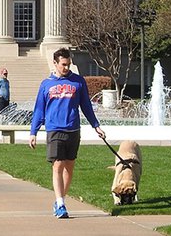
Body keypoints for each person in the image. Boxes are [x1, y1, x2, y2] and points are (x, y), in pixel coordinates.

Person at [29, 48, 106, 220]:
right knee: (57, 165)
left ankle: (60, 200)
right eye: (63, 64)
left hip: (73, 129)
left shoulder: (78, 82)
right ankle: (61, 204)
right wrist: (33, 132)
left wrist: (96, 126)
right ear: (55, 63)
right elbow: (39, 110)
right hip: (55, 129)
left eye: (68, 64)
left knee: (69, 167)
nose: (66, 67)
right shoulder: (46, 84)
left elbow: (86, 105)